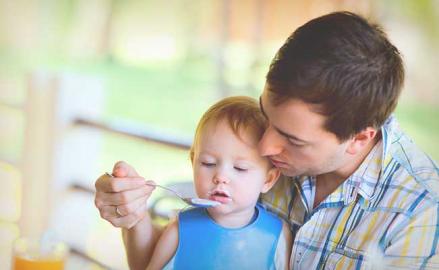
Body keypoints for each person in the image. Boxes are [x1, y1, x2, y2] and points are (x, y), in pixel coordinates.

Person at [94, 11, 438, 270]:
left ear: (358, 138)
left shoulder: (419, 215)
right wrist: (131, 213)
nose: (265, 147)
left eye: (291, 138)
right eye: (266, 115)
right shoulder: (252, 160)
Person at [145, 96, 291, 269]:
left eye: (240, 168)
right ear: (193, 164)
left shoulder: (277, 234)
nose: (221, 176)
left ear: (268, 180)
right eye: (208, 163)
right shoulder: (179, 229)